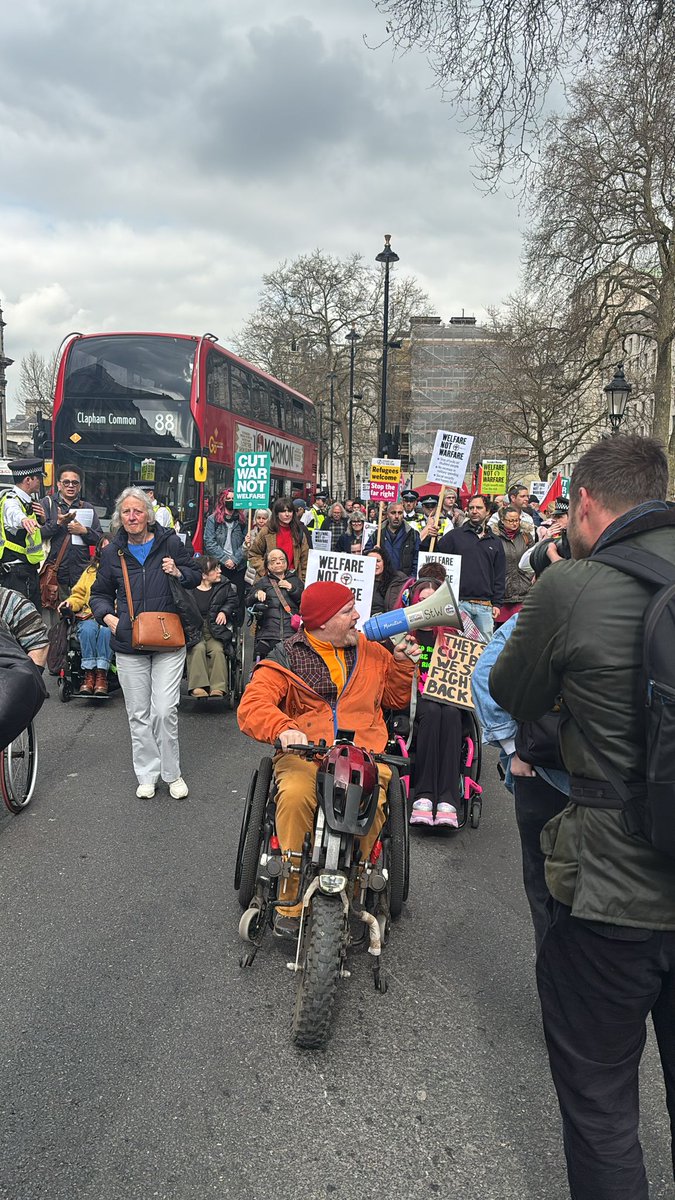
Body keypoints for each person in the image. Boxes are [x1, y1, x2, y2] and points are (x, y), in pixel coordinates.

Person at [489, 434, 675, 1200]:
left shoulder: (575, 587)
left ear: (585, 505)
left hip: (611, 887)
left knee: (601, 1105)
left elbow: (511, 692)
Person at [237, 580, 417, 937]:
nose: (357, 617)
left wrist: (401, 664)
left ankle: (358, 886)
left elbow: (395, 699)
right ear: (322, 622)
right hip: (306, 753)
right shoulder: (284, 658)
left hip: (364, 751)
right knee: (296, 794)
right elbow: (252, 705)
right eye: (348, 611)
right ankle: (289, 896)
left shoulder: (372, 650)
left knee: (372, 798)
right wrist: (283, 727)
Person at [90, 486, 201, 800]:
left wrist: (178, 571)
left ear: (149, 515)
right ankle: (147, 774)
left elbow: (195, 573)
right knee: (138, 713)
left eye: (137, 511)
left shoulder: (170, 543)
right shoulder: (113, 551)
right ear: (119, 518)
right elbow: (98, 594)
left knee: (164, 710)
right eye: (126, 512)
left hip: (167, 637)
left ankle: (172, 773)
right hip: (128, 641)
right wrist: (110, 620)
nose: (132, 516)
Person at [406, 576, 480, 829]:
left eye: (433, 600)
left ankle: (448, 799)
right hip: (417, 700)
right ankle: (424, 795)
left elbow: (480, 655)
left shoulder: (452, 634)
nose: (428, 605)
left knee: (449, 714)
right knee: (432, 713)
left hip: (448, 698)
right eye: (422, 600)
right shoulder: (405, 635)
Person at [436, 494, 506, 640]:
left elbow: (499, 575)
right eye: (471, 507)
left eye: (479, 508)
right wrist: (429, 537)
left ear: (488, 512)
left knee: (484, 650)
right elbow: (434, 557)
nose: (474, 511)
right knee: (456, 648)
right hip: (459, 604)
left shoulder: (495, 541)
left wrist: (497, 603)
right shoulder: (454, 536)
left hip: (485, 606)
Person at [41, 463, 103, 613]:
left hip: (80, 571)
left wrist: (84, 531)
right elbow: (38, 534)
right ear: (58, 484)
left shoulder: (87, 507)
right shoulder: (47, 504)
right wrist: (57, 523)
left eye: (75, 482)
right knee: (55, 615)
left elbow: (100, 539)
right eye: (66, 482)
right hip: (55, 570)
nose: (70, 486)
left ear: (80, 486)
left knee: (80, 613)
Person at [58, 534, 113, 695]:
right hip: (89, 614)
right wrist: (69, 603)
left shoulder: (122, 572)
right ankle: (89, 675)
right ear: (99, 551)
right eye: (103, 547)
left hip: (110, 615)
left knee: (106, 631)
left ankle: (101, 674)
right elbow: (79, 595)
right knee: (88, 629)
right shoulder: (90, 572)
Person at [186, 556, 239, 698]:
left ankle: (218, 687)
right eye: (215, 569)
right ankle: (198, 686)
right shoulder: (189, 589)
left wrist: (224, 611)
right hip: (195, 630)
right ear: (203, 574)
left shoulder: (224, 585)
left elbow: (233, 600)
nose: (220, 571)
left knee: (217, 650)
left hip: (215, 629)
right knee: (197, 648)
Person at [0, 458, 47, 609]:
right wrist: (23, 520)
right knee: (19, 623)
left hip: (27, 570)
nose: (40, 481)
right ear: (28, 479)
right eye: (38, 478)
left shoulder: (29, 501)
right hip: (15, 574)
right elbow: (13, 514)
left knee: (33, 619)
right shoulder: (11, 500)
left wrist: (41, 520)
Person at [246, 547, 303, 660]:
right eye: (273, 560)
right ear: (268, 566)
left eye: (282, 559)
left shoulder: (295, 581)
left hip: (291, 633)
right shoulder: (262, 582)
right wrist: (257, 594)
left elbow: (305, 602)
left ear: (286, 563)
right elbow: (247, 602)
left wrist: (292, 589)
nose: (278, 562)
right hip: (268, 633)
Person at [203, 487, 247, 612]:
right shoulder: (213, 519)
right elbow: (209, 542)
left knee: (238, 600)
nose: (231, 501)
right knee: (219, 597)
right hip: (219, 566)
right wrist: (225, 559)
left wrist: (235, 560)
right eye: (228, 499)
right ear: (222, 500)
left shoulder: (242, 520)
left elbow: (246, 544)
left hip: (238, 566)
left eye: (233, 499)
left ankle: (237, 627)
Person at [247, 497, 309, 581]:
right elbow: (253, 554)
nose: (287, 514)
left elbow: (305, 559)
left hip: (292, 579)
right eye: (283, 511)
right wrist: (266, 570)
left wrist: (302, 580)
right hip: (270, 580)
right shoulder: (267, 531)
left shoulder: (299, 532)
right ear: (276, 513)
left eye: (290, 511)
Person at [492, 504, 532, 625]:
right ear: (503, 520)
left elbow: (532, 560)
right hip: (503, 593)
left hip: (523, 590)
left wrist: (529, 578)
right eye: (511, 520)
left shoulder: (526, 536)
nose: (514, 523)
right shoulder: (495, 538)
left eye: (517, 520)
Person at [364, 502, 420, 575]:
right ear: (387, 515)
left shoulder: (413, 535)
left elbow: (417, 560)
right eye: (393, 513)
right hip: (383, 581)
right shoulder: (377, 534)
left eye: (400, 513)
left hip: (403, 581)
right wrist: (373, 552)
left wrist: (411, 581)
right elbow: (366, 555)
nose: (396, 516)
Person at [366, 546, 408, 615]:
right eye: (370, 561)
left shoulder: (399, 579)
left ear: (384, 562)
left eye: (378, 561)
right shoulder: (363, 583)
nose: (374, 564)